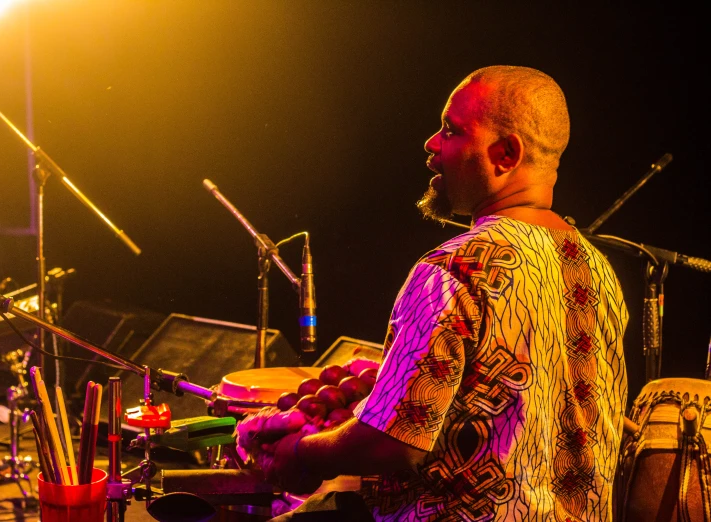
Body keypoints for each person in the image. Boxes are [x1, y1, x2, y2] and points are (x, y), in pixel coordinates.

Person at [263, 65, 628, 521]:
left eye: (451, 131)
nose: (432, 144)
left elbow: (395, 443)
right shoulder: (596, 269)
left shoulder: (455, 266)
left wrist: (300, 454)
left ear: (505, 154)